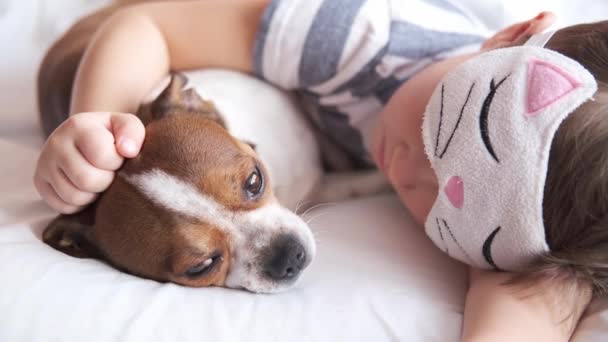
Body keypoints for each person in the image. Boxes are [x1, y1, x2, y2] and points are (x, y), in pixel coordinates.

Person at [33, 1, 608, 340]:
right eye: (436, 127)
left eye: (449, 204)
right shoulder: (353, 36)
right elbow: (145, 23)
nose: (408, 170)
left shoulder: (524, 205)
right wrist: (99, 124)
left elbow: (515, 290)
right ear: (503, 41)